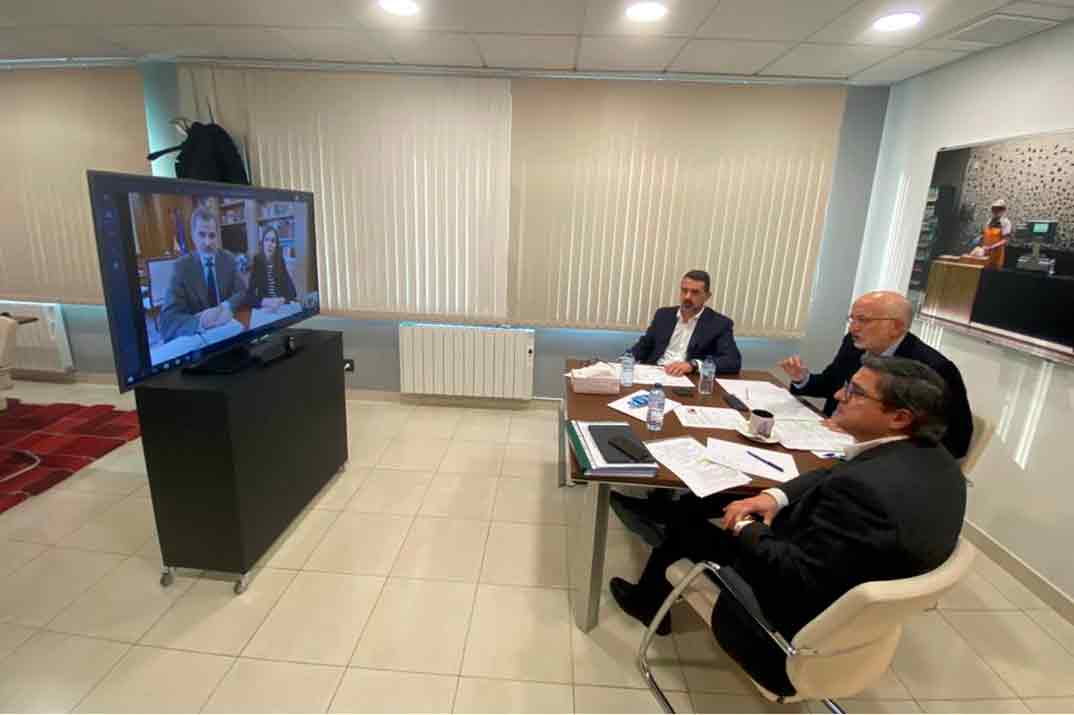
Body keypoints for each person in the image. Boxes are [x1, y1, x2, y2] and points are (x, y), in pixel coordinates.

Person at [610, 357, 967, 692]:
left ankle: (646, 597)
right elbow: (836, 473)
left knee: (690, 529)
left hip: (778, 636)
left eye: (856, 393)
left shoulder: (863, 494)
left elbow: (793, 576)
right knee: (719, 501)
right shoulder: (938, 463)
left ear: (899, 418)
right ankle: (662, 522)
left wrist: (745, 524)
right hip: (851, 613)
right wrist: (774, 498)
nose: (839, 395)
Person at [779, 290, 973, 459]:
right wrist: (802, 378)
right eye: (852, 319)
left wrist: (866, 432)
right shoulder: (853, 344)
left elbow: (955, 441)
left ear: (896, 326)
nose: (853, 327)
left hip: (880, 459)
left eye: (863, 320)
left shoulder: (934, 367)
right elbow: (832, 385)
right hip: (826, 441)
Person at [629, 270, 741, 376]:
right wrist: (626, 359)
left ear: (707, 296)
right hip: (655, 373)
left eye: (695, 292)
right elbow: (644, 345)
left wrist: (693, 365)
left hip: (688, 379)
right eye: (684, 290)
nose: (687, 296)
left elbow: (732, 361)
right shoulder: (663, 315)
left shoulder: (719, 324)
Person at [159, 208, 245, 341]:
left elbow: (242, 291)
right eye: (201, 235)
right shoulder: (181, 267)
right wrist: (201, 321)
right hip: (198, 340)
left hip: (228, 333)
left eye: (212, 235)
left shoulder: (228, 258)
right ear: (193, 236)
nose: (208, 242)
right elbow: (167, 321)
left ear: (217, 235)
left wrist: (225, 307)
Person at [246, 226, 297, 311]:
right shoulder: (257, 261)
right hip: (265, 308)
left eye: (273, 241)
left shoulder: (280, 260)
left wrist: (281, 300)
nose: (269, 244)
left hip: (281, 307)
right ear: (262, 243)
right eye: (266, 240)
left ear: (276, 245)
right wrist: (264, 302)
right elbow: (248, 296)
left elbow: (292, 291)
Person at [970, 199, 1011, 270]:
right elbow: (985, 234)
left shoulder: (1006, 222)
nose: (996, 211)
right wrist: (979, 238)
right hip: (985, 253)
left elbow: (1005, 240)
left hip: (996, 255)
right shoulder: (989, 221)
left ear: (1003, 210)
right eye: (994, 209)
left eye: (999, 209)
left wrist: (991, 247)